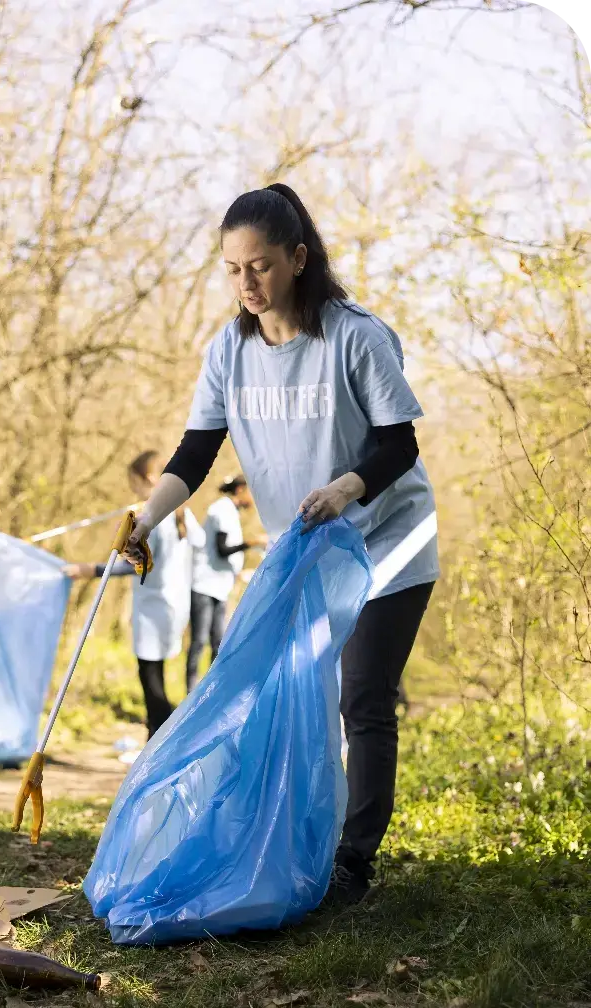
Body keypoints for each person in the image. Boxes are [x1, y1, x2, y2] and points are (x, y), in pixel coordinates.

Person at [123, 184, 440, 906]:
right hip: (310, 556)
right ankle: (293, 839)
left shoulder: (356, 336)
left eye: (260, 267)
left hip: (387, 543)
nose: (247, 284)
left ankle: (353, 859)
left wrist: (344, 489)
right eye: (233, 270)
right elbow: (195, 453)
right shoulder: (228, 351)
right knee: (288, 696)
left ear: (298, 259)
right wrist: (146, 518)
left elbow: (400, 444)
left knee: (361, 696)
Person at [63, 450, 204, 741]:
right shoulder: (183, 514)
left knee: (152, 683)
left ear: (150, 479)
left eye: (135, 484)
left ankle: (161, 746)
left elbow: (140, 565)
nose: (133, 491)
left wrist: (94, 569)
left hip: (156, 607)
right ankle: (158, 743)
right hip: (172, 605)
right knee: (156, 679)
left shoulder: (160, 518)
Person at [186, 474, 266, 692]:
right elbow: (222, 549)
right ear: (240, 489)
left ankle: (212, 693)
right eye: (252, 491)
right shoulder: (221, 509)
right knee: (199, 642)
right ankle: (190, 693)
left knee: (218, 642)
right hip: (204, 585)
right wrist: (252, 542)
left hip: (220, 587)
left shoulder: (231, 512)